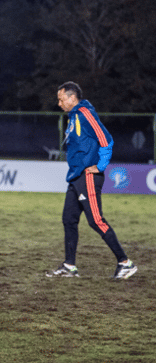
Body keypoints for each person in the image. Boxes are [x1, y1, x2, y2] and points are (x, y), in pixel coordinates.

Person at [46, 82, 137, 279]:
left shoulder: (85, 113)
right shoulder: (73, 117)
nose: (59, 103)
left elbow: (106, 139)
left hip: (88, 176)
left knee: (96, 220)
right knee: (68, 219)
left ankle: (125, 262)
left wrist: (100, 166)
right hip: (75, 177)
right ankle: (69, 266)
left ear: (72, 98)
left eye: (61, 99)